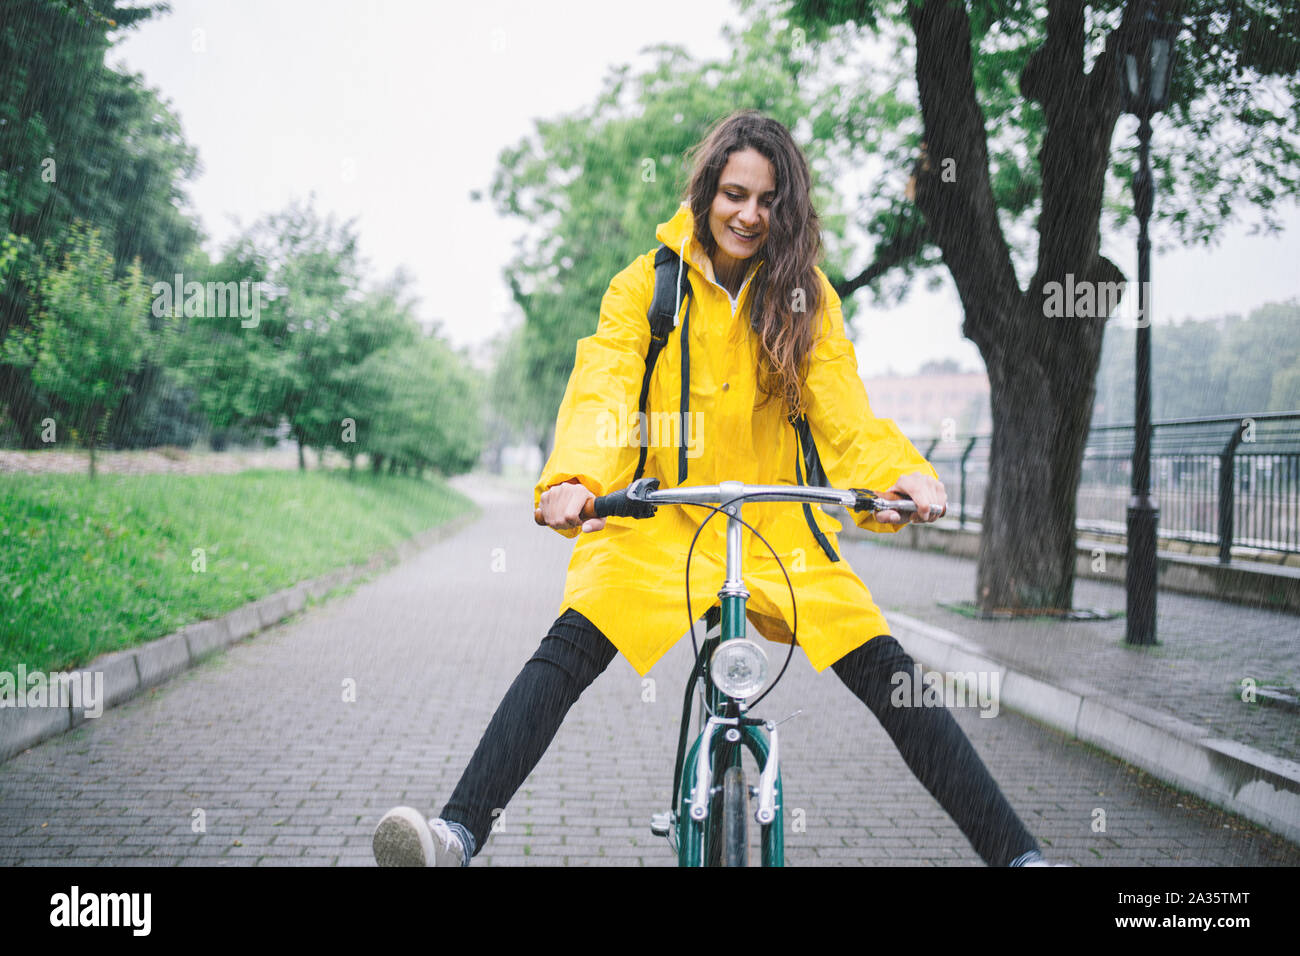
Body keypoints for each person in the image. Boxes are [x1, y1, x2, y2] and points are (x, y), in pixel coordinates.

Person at [373, 110, 1061, 867]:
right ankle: (456, 833)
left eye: (769, 201)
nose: (750, 215)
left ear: (786, 209)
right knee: (566, 650)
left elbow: (841, 405)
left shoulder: (806, 296)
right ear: (707, 191)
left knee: (893, 676)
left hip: (779, 536)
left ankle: (1018, 857)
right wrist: (575, 478)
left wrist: (896, 474)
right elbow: (604, 383)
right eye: (735, 194)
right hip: (661, 525)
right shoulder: (647, 287)